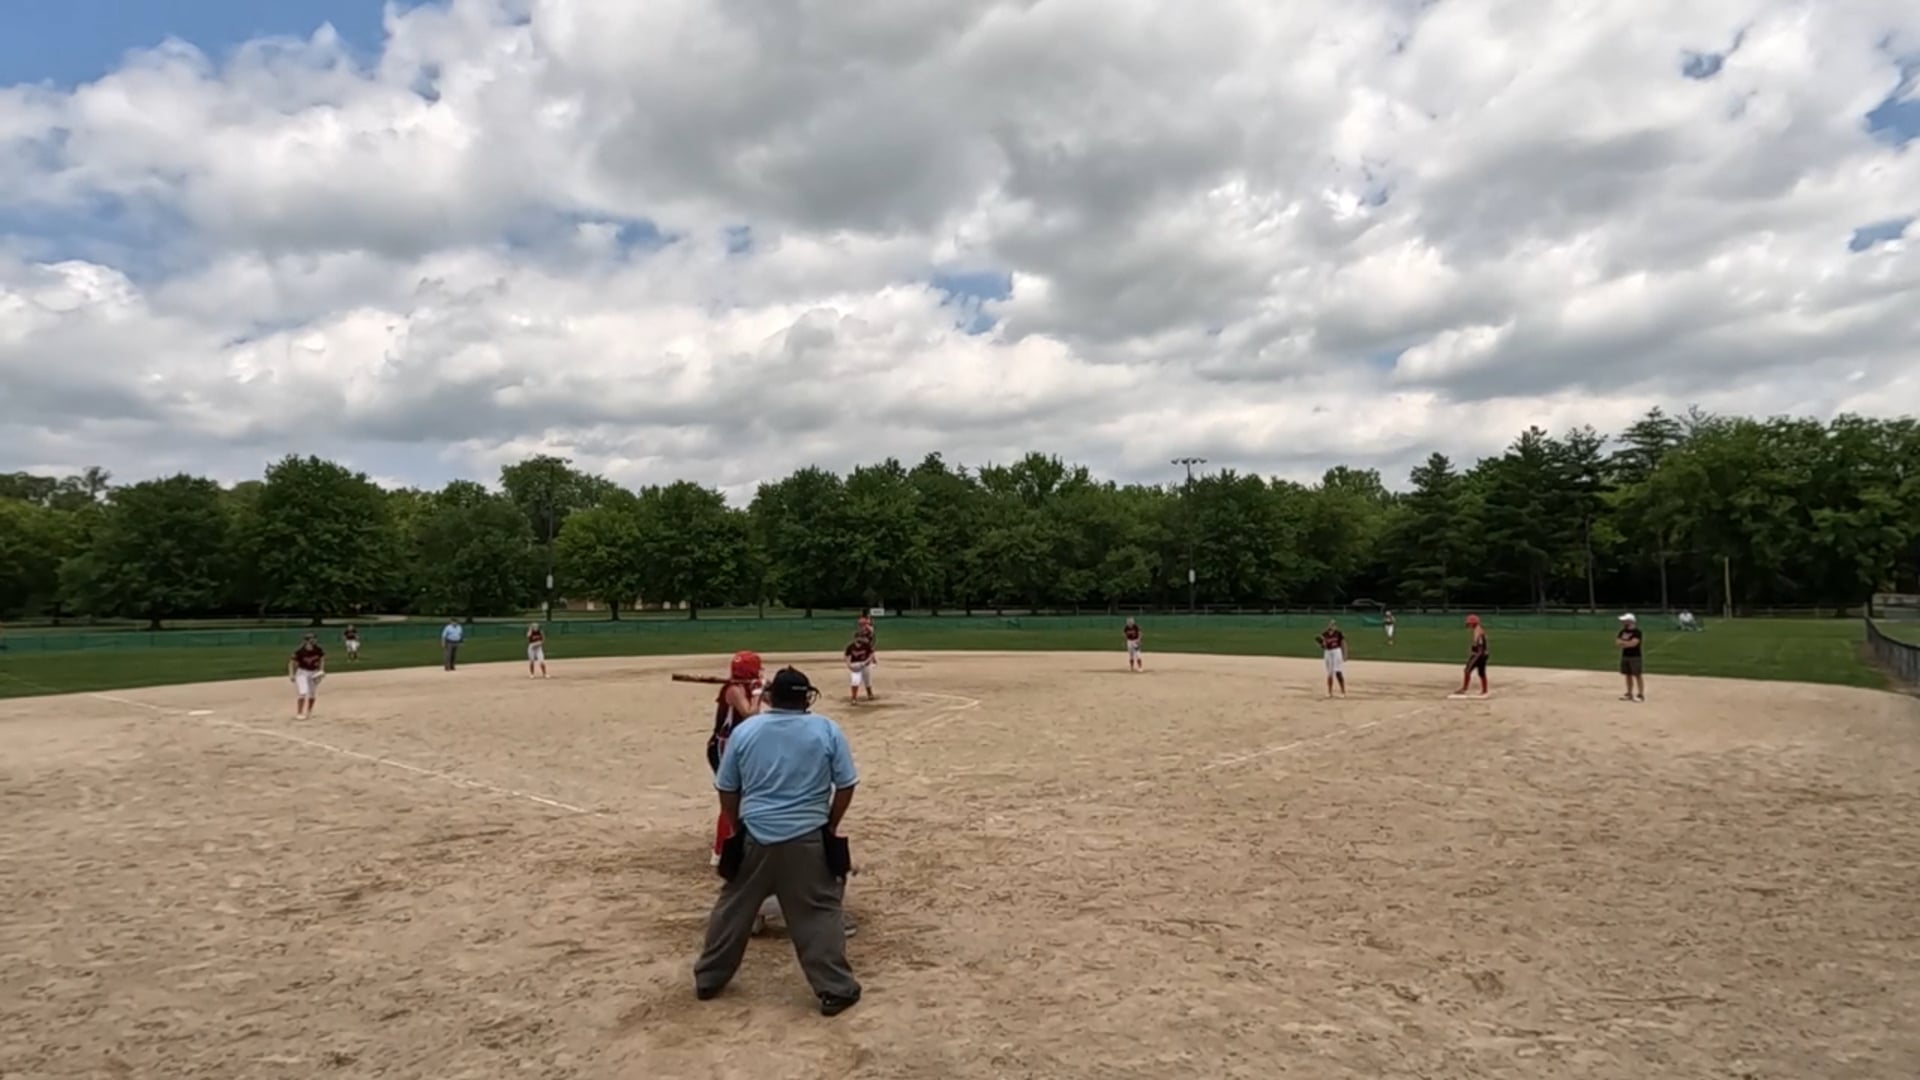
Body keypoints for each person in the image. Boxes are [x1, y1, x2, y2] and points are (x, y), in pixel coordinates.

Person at [695, 666, 862, 1017]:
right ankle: (835, 989)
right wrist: (830, 824)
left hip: (755, 834)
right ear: (806, 698)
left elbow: (727, 788)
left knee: (733, 907)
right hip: (807, 836)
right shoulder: (826, 729)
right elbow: (846, 784)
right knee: (819, 911)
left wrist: (738, 826)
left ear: (771, 697)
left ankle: (709, 978)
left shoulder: (746, 731)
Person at [707, 650, 764, 866]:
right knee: (732, 796)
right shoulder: (734, 689)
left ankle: (741, 840)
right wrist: (757, 692)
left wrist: (766, 688)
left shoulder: (747, 686)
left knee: (745, 794)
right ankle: (720, 851)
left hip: (739, 748)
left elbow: (775, 701)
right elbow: (750, 714)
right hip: (724, 748)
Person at [289, 632, 326, 720]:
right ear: (306, 641)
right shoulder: (300, 651)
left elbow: (322, 660)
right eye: (311, 639)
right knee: (303, 692)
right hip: (302, 673)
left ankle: (309, 712)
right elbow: (291, 663)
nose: (314, 640)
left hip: (314, 672)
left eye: (314, 638)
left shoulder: (318, 650)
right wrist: (291, 674)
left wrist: (321, 671)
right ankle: (299, 713)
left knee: (312, 694)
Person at [1456, 614, 1490, 697]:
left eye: (1469, 623)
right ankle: (1484, 690)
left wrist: (1475, 652)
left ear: (1473, 623)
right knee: (1481, 672)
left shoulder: (1477, 630)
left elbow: (1478, 644)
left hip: (1479, 654)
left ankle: (1464, 688)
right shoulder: (1479, 629)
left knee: (1467, 670)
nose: (1468, 625)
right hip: (1483, 654)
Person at [1616, 613, 1645, 701]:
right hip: (1625, 655)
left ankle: (1640, 694)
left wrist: (1624, 643)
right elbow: (1618, 642)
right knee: (1627, 674)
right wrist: (1627, 643)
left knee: (1637, 675)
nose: (1623, 622)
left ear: (1630, 621)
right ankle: (1629, 693)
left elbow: (1634, 643)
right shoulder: (1622, 631)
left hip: (1635, 656)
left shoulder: (1637, 632)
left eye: (1625, 621)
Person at [1317, 619, 1348, 698]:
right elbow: (1324, 646)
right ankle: (1329, 692)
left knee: (1338, 672)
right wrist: (1321, 644)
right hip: (1328, 652)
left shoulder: (1338, 633)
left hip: (1337, 651)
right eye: (1330, 624)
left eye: (1333, 625)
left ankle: (1343, 691)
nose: (1332, 626)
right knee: (1329, 673)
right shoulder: (1324, 634)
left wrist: (1344, 654)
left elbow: (1343, 643)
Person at [845, 631, 876, 702]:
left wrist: (866, 662)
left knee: (867, 681)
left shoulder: (866, 645)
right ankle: (854, 698)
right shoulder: (851, 646)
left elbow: (871, 654)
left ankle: (870, 694)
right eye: (859, 637)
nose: (860, 638)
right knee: (855, 681)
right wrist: (849, 665)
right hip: (855, 665)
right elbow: (847, 656)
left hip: (865, 665)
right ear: (855, 638)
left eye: (861, 637)